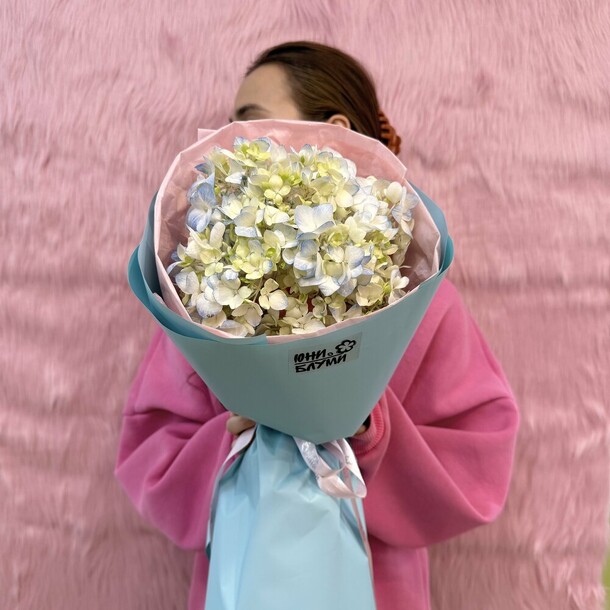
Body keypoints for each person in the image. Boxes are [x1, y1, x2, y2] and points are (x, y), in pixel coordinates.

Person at [115, 41, 520, 610]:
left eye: (249, 122)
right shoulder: (200, 301)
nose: (229, 144)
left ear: (331, 133)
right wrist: (231, 438)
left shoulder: (421, 302)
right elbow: (151, 447)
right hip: (241, 573)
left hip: (378, 586)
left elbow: (478, 456)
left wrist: (367, 430)